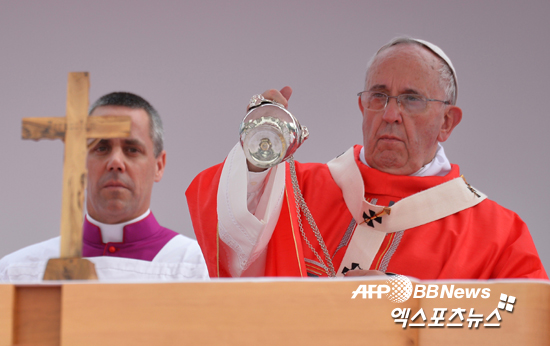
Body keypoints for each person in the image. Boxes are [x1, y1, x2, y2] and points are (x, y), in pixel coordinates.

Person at [186, 37, 548, 280]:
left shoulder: (498, 234)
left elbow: (521, 322)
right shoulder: (295, 189)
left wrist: (411, 304)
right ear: (363, 106)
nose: (391, 114)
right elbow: (234, 235)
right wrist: (259, 151)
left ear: (447, 122)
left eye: (412, 99)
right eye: (379, 96)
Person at [0, 92, 208, 281]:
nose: (115, 162)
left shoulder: (198, 269)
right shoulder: (19, 273)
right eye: (101, 147)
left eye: (132, 149)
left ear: (159, 166)